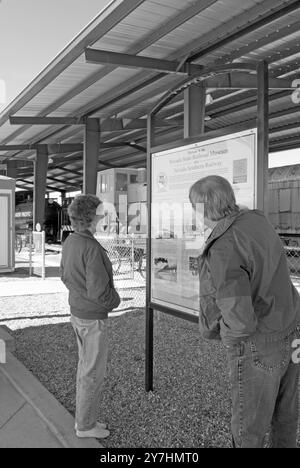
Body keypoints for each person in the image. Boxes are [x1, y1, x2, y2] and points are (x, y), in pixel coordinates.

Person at [189, 175, 300, 448]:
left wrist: (227, 340)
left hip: (261, 342)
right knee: (286, 417)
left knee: (249, 429)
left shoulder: (224, 247)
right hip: (292, 325)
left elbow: (239, 321)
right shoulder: (256, 220)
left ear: (202, 209)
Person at [60, 194, 120, 439]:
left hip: (78, 312)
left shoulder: (71, 242)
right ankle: (85, 425)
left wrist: (81, 294)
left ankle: (86, 419)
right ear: (91, 217)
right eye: (99, 213)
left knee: (86, 368)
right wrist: (115, 301)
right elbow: (99, 291)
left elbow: (64, 276)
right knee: (92, 372)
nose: (102, 216)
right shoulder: (91, 247)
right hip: (93, 317)